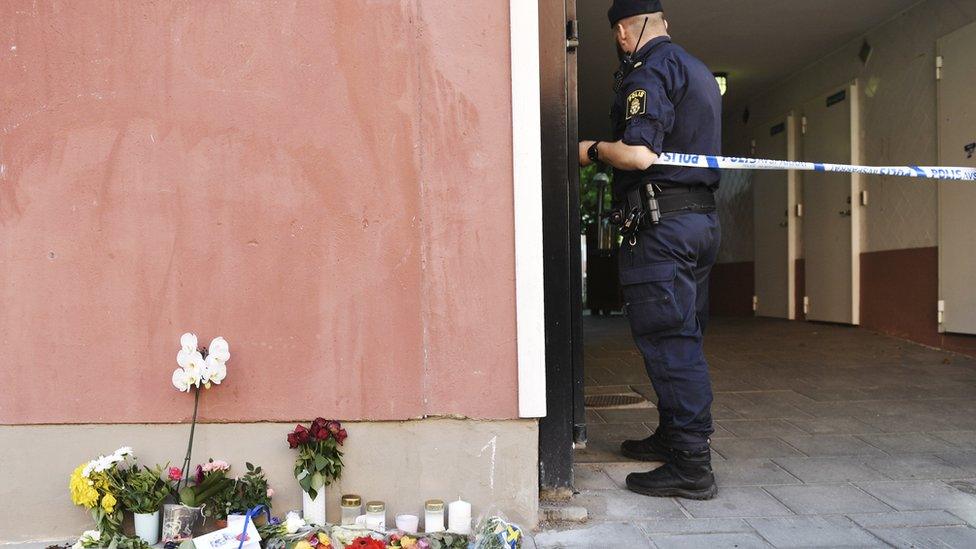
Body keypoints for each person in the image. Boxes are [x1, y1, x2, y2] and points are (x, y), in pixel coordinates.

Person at [578, 0, 722, 500]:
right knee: (684, 334)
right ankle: (673, 436)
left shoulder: (649, 70)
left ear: (623, 32)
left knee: (669, 340)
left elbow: (639, 154)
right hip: (698, 221)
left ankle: (691, 464)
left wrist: (592, 150)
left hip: (663, 228)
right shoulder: (697, 70)